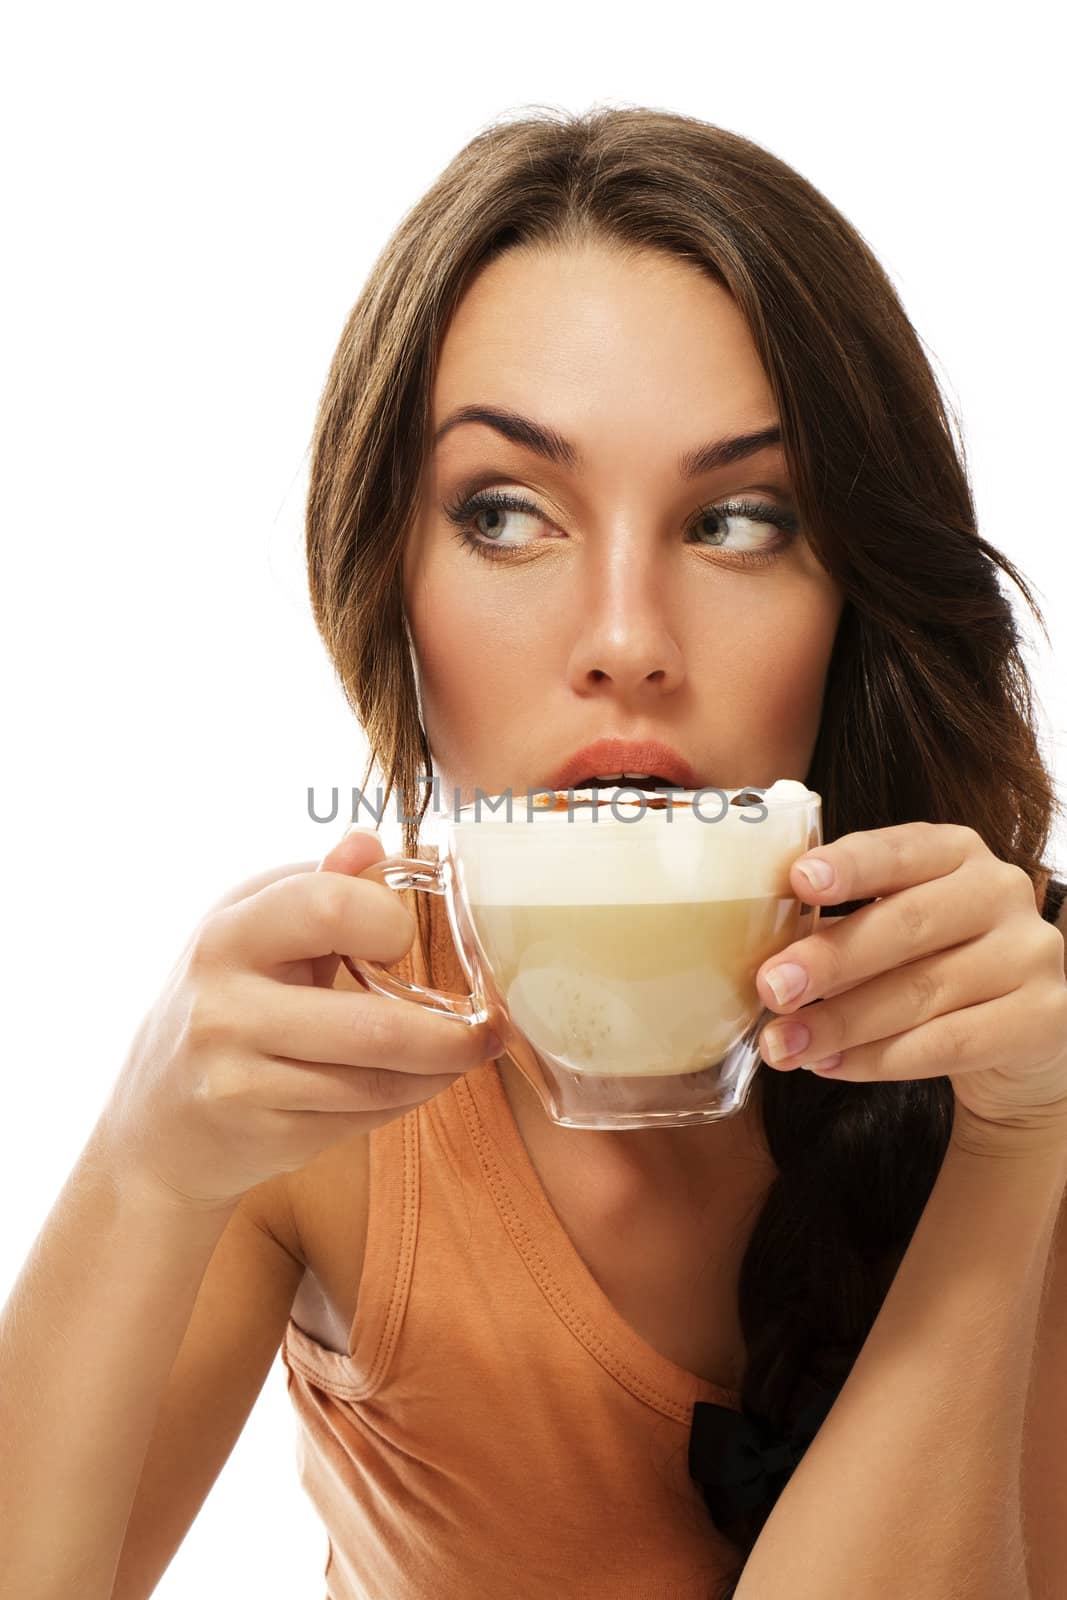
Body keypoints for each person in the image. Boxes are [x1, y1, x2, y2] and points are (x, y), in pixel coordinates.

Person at [3, 105, 1066, 1600]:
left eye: (741, 521)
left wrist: (1017, 1145)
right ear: (388, 581)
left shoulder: (1033, 1041)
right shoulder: (302, 1096)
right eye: (506, 514)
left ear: (857, 608)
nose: (627, 642)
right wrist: (141, 1162)